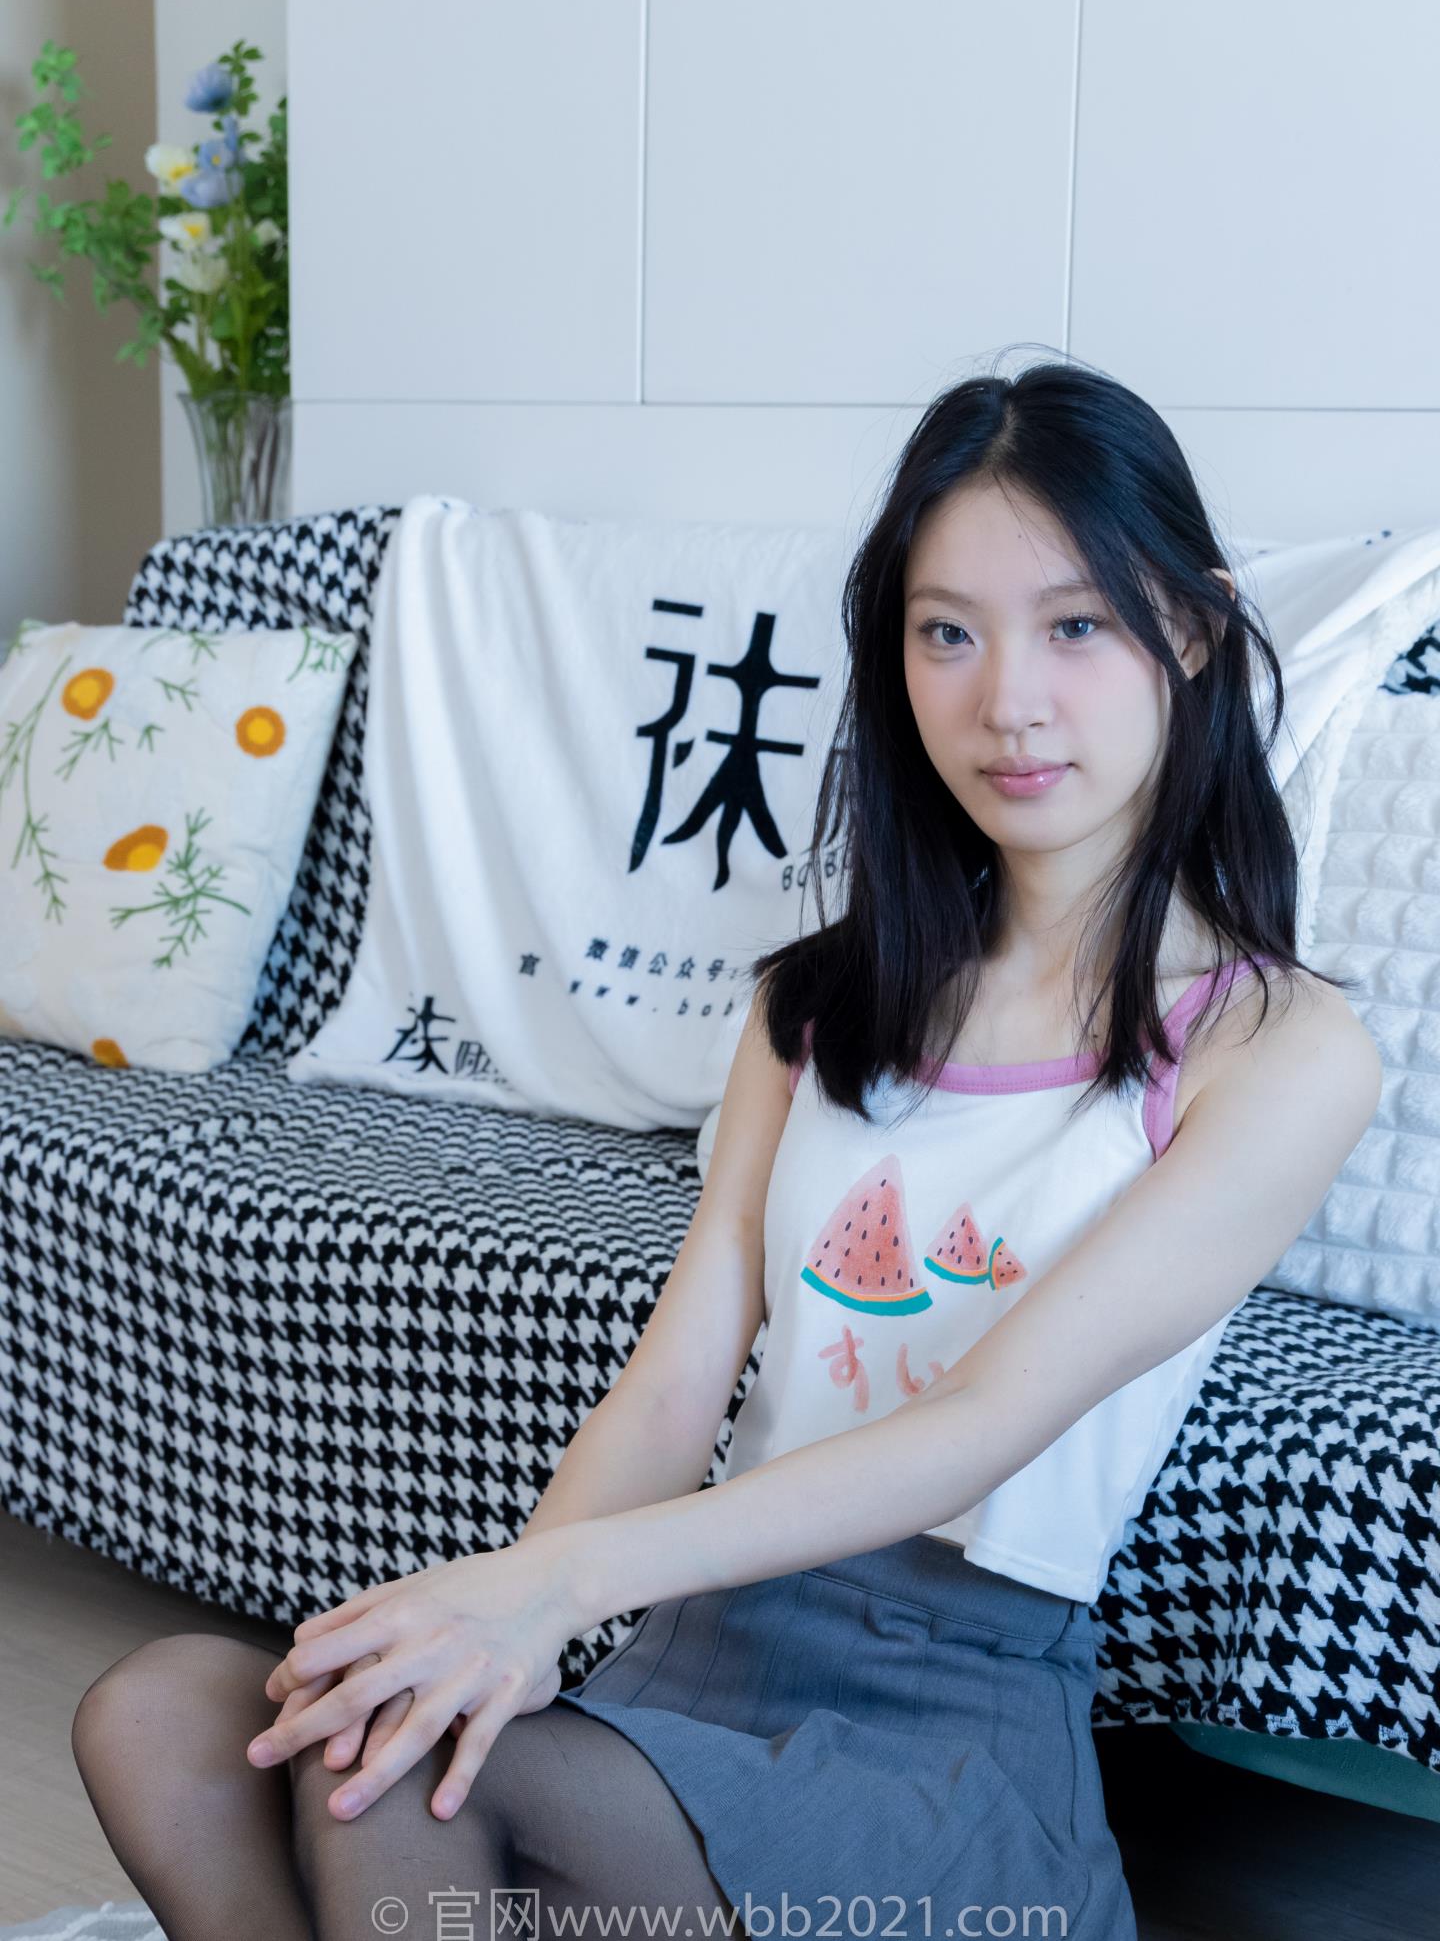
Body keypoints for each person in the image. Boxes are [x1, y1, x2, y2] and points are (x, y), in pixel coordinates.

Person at [70, 358, 1383, 1941]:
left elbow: (980, 1423)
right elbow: (674, 1389)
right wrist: (510, 1631)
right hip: (688, 1650)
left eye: (1077, 625)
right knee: (165, 1712)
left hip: (939, 1729)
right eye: (947, 632)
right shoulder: (813, 1005)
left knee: (413, 1795)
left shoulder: (1274, 1047)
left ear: (1192, 628)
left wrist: (556, 1586)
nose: (1008, 699)